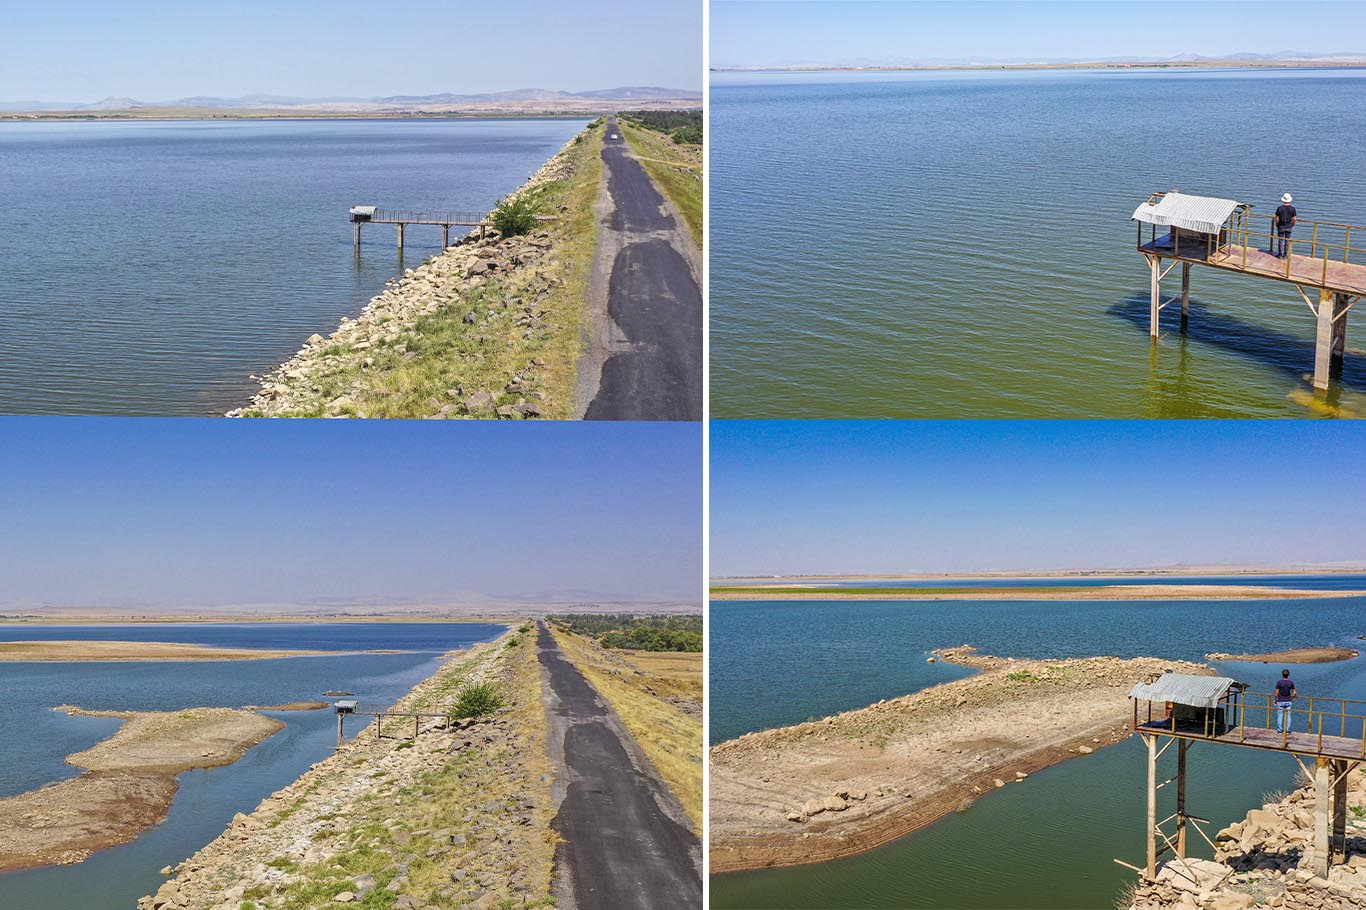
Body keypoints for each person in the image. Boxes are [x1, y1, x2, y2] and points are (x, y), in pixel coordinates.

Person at [1274, 193, 1297, 258]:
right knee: (1287, 241)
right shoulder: (1293, 209)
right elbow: (1294, 219)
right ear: (1289, 200)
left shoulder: (1279, 208)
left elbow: (1277, 218)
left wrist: (1277, 225)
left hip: (1281, 226)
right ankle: (1285, 255)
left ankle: (1280, 254)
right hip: (1289, 226)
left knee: (1281, 240)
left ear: (1283, 200)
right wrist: (1292, 225)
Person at [1274, 668, 1296, 734]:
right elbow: (1294, 693)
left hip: (1280, 701)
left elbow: (1276, 693)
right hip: (1288, 701)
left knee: (1280, 716)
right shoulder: (1291, 682)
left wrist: (1275, 700)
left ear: (1282, 675)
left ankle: (1280, 730)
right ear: (1288, 675)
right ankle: (1287, 730)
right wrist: (1291, 699)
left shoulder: (1279, 682)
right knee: (1288, 716)